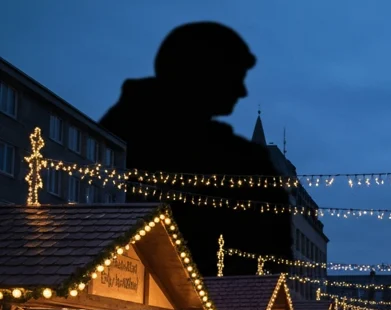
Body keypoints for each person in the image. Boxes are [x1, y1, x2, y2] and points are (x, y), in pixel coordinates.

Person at [99, 22, 292, 277]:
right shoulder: (239, 160)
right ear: (200, 74)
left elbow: (279, 251)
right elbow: (279, 252)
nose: (242, 91)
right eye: (233, 77)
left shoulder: (122, 127)